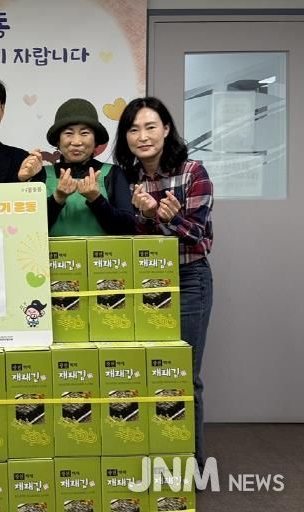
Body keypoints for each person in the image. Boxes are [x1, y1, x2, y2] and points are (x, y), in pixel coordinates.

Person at [113, 96, 214, 468]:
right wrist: (145, 217)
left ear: (167, 129)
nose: (142, 136)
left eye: (150, 127)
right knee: (145, 373)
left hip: (188, 280)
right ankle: (152, 457)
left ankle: (192, 466)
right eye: (133, 129)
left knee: (183, 374)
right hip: (143, 281)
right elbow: (133, 238)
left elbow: (198, 238)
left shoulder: (192, 172)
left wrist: (166, 217)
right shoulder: (128, 179)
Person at [44, 98, 135, 236]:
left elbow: (128, 228)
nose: (76, 142)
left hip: (102, 251)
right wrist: (57, 198)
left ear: (95, 140)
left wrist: (96, 200)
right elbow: (29, 228)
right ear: (58, 140)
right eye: (68, 133)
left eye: (84, 133)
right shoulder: (43, 175)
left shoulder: (112, 174)